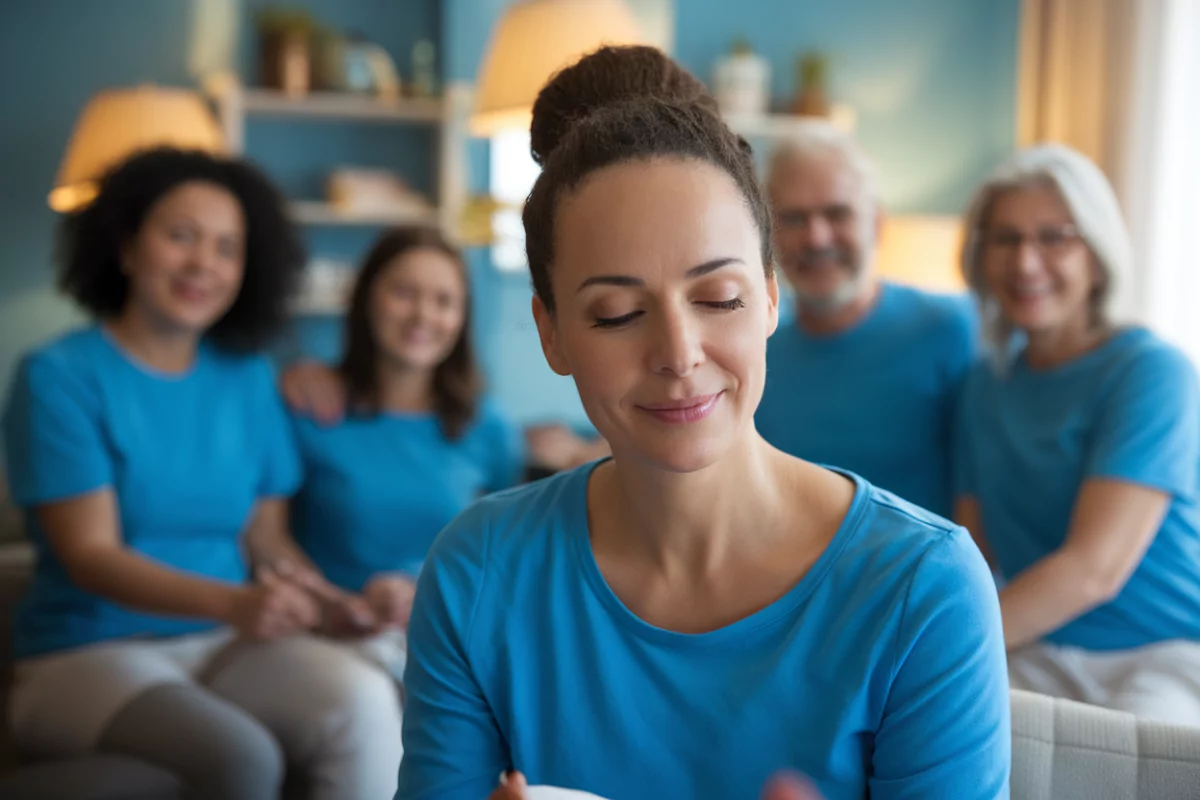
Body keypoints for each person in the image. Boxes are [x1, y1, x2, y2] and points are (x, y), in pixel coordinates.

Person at [396, 45, 1009, 800]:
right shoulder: (479, 574)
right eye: (616, 313)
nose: (679, 354)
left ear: (772, 297)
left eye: (719, 297)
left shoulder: (923, 590)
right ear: (551, 332)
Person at [2, 147, 401, 800]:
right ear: (127, 246)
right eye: (180, 236)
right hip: (86, 654)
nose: (203, 264)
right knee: (239, 759)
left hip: (220, 642)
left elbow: (267, 541)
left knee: (360, 698)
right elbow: (90, 557)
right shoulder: (58, 377)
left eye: (226, 247)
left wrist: (336, 606)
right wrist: (236, 604)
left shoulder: (247, 379)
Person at [954, 143, 1200, 726]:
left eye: (1054, 237)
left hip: (1161, 652)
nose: (1026, 263)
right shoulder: (982, 386)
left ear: (1097, 253)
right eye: (1006, 239)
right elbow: (972, 546)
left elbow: (1096, 567)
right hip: (1039, 645)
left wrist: (952, 644)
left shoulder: (1150, 372)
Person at [287, 225, 525, 678]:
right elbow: (267, 536)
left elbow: (507, 551)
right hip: (334, 636)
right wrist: (337, 604)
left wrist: (425, 590)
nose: (423, 315)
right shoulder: (309, 407)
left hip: (452, 632)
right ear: (367, 299)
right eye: (404, 293)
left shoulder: (486, 423)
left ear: (462, 317)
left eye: (443, 301)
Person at [754, 123, 977, 517]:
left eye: (837, 214)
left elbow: (983, 493)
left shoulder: (950, 330)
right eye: (793, 218)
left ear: (876, 223)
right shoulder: (751, 349)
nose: (817, 238)